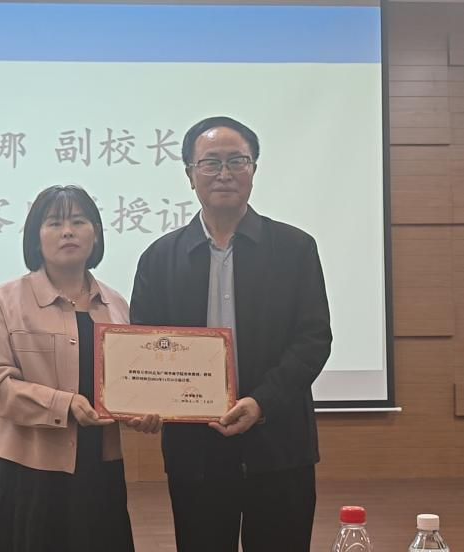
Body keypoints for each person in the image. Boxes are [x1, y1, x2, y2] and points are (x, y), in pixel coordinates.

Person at [130, 116, 332, 552]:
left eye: (237, 161)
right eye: (210, 163)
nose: (224, 173)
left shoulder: (295, 249)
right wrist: (146, 400)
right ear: (190, 174)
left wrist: (262, 402)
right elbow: (144, 347)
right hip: (195, 451)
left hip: (279, 443)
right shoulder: (159, 258)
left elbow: (313, 339)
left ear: (254, 169)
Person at [0, 184, 161, 552]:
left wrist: (143, 410)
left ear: (95, 234)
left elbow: (130, 382)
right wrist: (63, 404)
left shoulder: (116, 305)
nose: (68, 231)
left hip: (97, 466)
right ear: (35, 239)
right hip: (24, 468)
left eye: (79, 221)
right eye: (54, 223)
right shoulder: (6, 300)